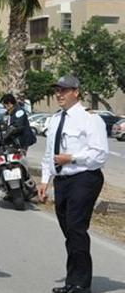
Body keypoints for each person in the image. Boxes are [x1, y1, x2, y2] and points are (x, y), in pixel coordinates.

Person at [38, 75, 108, 293]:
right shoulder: (56, 119)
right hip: (63, 180)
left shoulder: (90, 119)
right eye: (57, 90)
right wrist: (44, 180)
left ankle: (80, 284)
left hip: (84, 178)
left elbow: (99, 154)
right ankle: (72, 281)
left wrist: (72, 158)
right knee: (70, 231)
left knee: (76, 229)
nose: (59, 94)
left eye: (64, 90)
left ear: (76, 92)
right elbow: (49, 153)